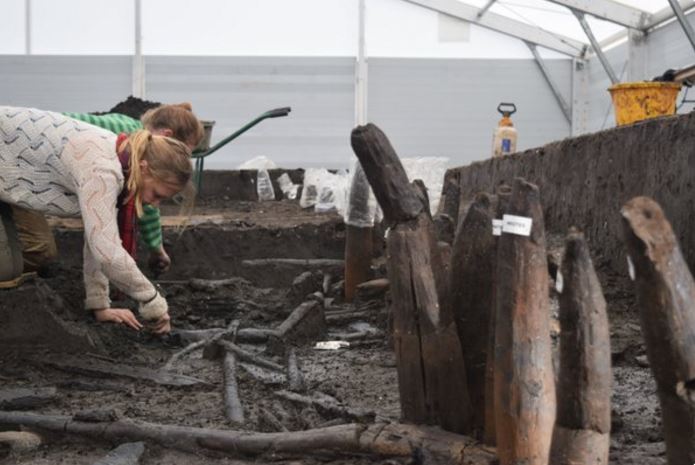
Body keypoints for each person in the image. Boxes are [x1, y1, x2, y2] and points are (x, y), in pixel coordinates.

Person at [0, 105, 195, 334]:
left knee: (20, 263)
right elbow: (107, 252)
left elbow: (97, 239)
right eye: (157, 195)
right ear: (145, 169)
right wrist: (154, 303)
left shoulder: (123, 159)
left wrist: (99, 305)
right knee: (5, 271)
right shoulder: (103, 170)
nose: (155, 204)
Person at [11, 104, 203, 278]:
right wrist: (157, 250)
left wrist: (156, 248)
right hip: (19, 162)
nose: (182, 161)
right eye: (182, 152)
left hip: (30, 168)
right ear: (167, 136)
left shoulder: (129, 129)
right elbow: (144, 206)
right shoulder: (126, 142)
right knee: (39, 251)